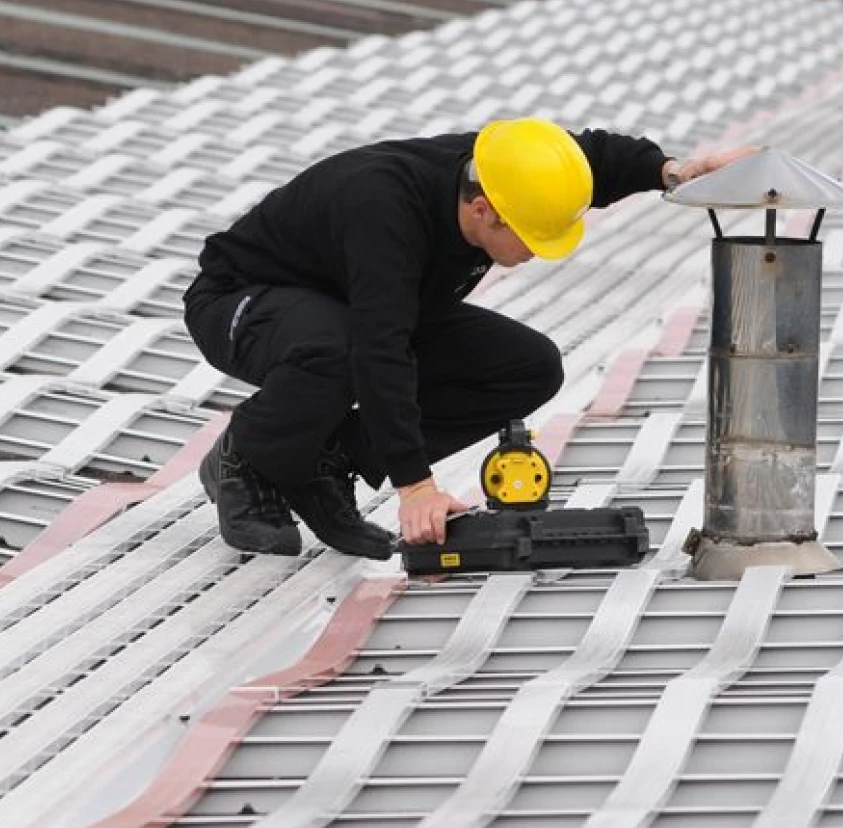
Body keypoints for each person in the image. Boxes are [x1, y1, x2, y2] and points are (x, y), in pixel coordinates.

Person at [183, 119, 751, 559]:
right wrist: (415, 487)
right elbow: (383, 350)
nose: (534, 252)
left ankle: (329, 463)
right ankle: (245, 456)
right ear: (484, 211)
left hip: (345, 307)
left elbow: (590, 158)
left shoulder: (502, 166)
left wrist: (676, 171)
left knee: (528, 366)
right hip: (244, 299)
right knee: (340, 348)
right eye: (530, 237)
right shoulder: (383, 209)